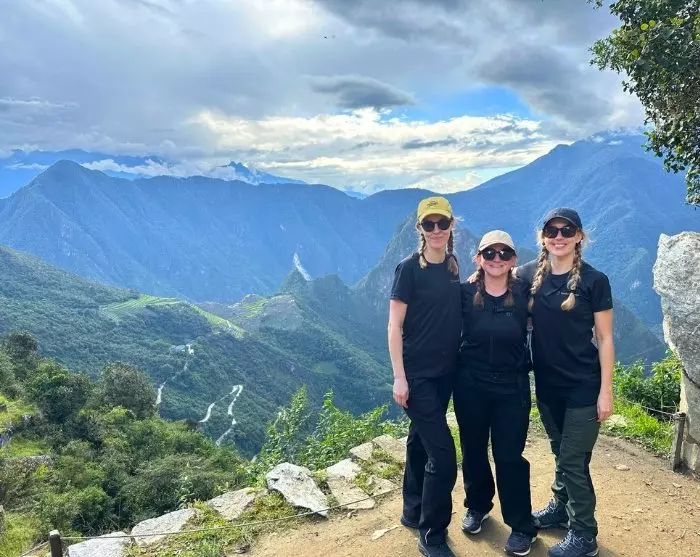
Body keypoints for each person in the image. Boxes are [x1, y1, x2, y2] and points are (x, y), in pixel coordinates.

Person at [516, 208, 614, 557]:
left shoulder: (594, 281)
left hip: (583, 386)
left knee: (574, 460)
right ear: (542, 236)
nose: (559, 236)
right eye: (552, 231)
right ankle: (560, 508)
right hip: (547, 385)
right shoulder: (528, 274)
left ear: (579, 236)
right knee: (560, 451)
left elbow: (605, 338)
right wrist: (474, 277)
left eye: (566, 230)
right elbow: (496, 281)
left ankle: (584, 534)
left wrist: (606, 392)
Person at [454, 230, 538, 557]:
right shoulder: (464, 294)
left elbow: (551, 269)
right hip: (470, 384)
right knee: (473, 449)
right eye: (489, 253)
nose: (496, 259)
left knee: (509, 456)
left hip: (511, 386)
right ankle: (477, 505)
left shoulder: (524, 291)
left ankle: (521, 525)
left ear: (514, 259)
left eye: (504, 253)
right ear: (478, 258)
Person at [388, 196, 462, 557]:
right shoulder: (408, 269)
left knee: (420, 441)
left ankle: (412, 509)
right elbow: (394, 325)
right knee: (444, 457)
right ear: (419, 228)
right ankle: (432, 533)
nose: (436, 230)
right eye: (428, 224)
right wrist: (399, 377)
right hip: (416, 376)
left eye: (442, 223)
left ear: (451, 226)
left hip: (444, 375)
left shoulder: (452, 265)